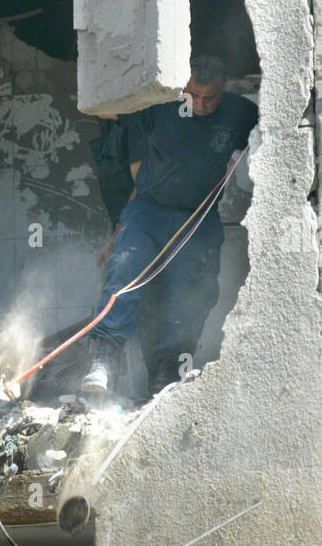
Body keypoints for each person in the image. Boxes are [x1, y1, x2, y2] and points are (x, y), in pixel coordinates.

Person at [81, 55, 258, 400]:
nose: (201, 105)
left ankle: (166, 375)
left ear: (223, 92)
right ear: (182, 89)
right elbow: (101, 109)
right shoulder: (161, 106)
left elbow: (278, 124)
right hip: (147, 211)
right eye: (193, 96)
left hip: (197, 217)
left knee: (192, 294)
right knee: (123, 274)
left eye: (210, 98)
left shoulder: (239, 112)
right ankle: (103, 359)